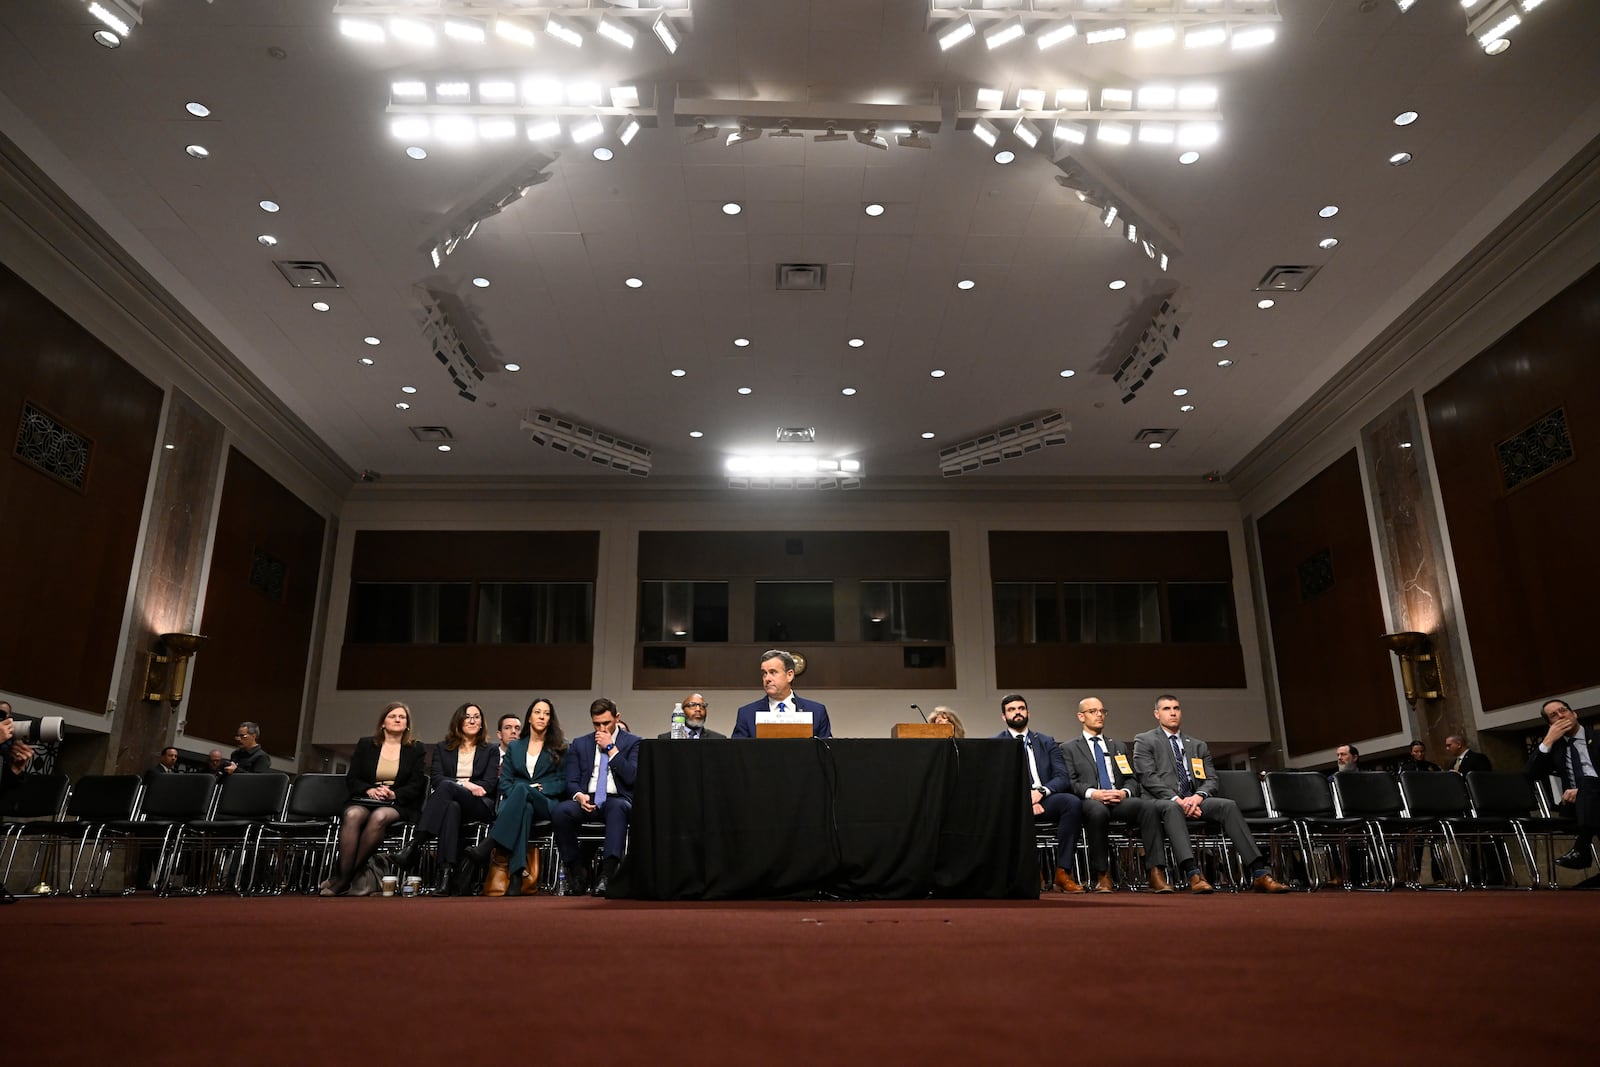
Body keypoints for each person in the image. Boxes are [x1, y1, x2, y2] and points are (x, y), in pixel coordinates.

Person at [1132, 694, 1290, 894]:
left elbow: (1211, 779)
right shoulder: (1144, 740)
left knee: (1228, 805)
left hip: (1194, 800)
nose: (1173, 712)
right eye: (1166, 709)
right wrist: (1179, 800)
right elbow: (1148, 777)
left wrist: (1198, 797)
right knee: (1173, 808)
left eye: (1176, 708)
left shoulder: (1197, 745)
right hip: (1162, 802)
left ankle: (1259, 872)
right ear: (1157, 714)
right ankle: (1193, 873)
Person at [1062, 697, 1175, 894]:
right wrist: (1094, 793)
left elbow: (1131, 779)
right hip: (1091, 801)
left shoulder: (1118, 747)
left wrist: (1124, 792)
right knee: (1097, 812)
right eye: (1093, 711)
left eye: (1102, 711)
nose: (1099, 715)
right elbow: (1070, 782)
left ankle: (1156, 872)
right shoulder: (1069, 748)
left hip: (1119, 800)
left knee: (1148, 807)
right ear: (1081, 716)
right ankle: (1103, 874)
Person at [320, 702, 426, 897]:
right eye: (392, 716)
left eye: (402, 717)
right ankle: (345, 875)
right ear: (383, 722)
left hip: (398, 802)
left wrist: (394, 793)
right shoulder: (366, 744)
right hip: (365, 798)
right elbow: (353, 778)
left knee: (378, 817)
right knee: (352, 815)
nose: (397, 720)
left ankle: (343, 879)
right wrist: (369, 789)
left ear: (407, 724)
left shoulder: (416, 749)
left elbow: (418, 783)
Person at [398, 703, 499, 894]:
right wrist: (465, 784)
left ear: (481, 722)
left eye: (476, 716)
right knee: (451, 807)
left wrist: (460, 786)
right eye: (467, 716)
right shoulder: (443, 748)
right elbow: (436, 778)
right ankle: (445, 876)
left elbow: (488, 784)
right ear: (458, 721)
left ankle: (415, 844)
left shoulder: (490, 749)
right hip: (452, 801)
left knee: (447, 787)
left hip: (478, 805)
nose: (472, 720)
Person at [993, 694, 1084, 894]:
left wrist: (1040, 792)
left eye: (1021, 708)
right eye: (1011, 709)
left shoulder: (1046, 741)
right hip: (1014, 802)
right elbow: (997, 782)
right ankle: (1032, 871)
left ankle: (1063, 871)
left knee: (1072, 803)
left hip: (1045, 798)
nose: (1017, 712)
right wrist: (1025, 798)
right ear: (1003, 716)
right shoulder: (996, 743)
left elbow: (1061, 776)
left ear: (1028, 712)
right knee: (1003, 812)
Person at [551, 698, 639, 896]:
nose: (601, 728)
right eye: (596, 724)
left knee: (617, 809)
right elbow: (571, 781)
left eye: (606, 723)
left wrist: (611, 748)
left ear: (617, 718)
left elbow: (632, 776)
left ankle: (606, 875)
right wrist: (579, 796)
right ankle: (577, 871)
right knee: (560, 812)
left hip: (616, 798)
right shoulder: (580, 744)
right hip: (587, 798)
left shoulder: (633, 742)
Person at [481, 698, 567, 896]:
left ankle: (490, 843)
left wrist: (542, 788)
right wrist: (522, 792)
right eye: (538, 712)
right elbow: (505, 782)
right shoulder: (516, 747)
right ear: (529, 717)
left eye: (546, 713)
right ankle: (517, 874)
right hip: (520, 805)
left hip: (545, 803)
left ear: (550, 719)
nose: (542, 716)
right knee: (524, 804)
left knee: (523, 790)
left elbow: (563, 782)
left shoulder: (561, 746)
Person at [1527, 698, 1599, 885]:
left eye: (1563, 710)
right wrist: (1548, 740)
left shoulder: (1598, 737)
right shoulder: (1555, 747)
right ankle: (1582, 852)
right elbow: (1528, 775)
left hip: (1594, 796)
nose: (1561, 715)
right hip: (1574, 808)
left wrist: (1582, 789)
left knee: (1588, 784)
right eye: (1554, 715)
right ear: (1551, 724)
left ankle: (1581, 851)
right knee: (1588, 790)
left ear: (1574, 714)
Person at [732, 650, 832, 738]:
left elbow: (827, 754)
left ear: (789, 675)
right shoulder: (747, 714)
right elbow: (737, 754)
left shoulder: (817, 712)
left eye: (773, 672)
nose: (767, 679)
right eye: (764, 673)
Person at [657, 693, 726, 739]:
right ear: (682, 711)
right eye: (692, 705)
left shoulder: (718, 739)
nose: (698, 709)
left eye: (702, 706)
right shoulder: (665, 739)